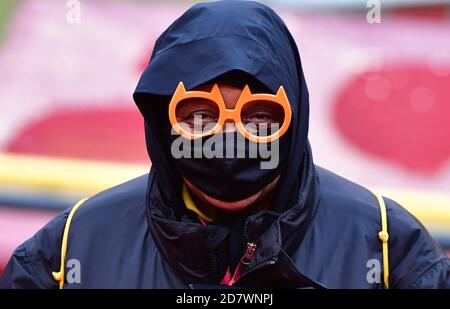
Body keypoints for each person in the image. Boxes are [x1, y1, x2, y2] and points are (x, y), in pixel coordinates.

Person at [1, 0, 449, 289]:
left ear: (293, 115)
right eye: (199, 116)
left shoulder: (389, 249)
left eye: (259, 117)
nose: (228, 139)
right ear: (164, 122)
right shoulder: (69, 252)